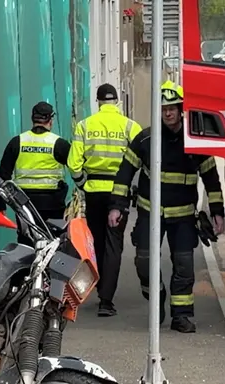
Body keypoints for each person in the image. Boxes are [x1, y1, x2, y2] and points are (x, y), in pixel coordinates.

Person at [107, 81, 225, 335]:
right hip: (150, 214)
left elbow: (211, 178)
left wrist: (217, 211)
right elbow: (124, 173)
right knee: (144, 263)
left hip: (183, 217)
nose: (167, 113)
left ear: (181, 109)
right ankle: (156, 297)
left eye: (171, 108)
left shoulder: (195, 141)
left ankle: (181, 316)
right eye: (163, 109)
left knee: (184, 266)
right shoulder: (146, 139)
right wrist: (117, 207)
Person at [68, 84, 143, 317]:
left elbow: (73, 164)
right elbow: (144, 157)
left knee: (97, 243)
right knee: (114, 245)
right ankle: (106, 300)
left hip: (94, 192)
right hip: (119, 194)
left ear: (98, 102)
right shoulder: (130, 126)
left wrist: (83, 183)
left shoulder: (85, 126)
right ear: (117, 102)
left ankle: (100, 286)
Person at [0, 101, 72, 246]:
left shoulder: (17, 142)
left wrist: (0, 207)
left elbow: (3, 177)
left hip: (24, 204)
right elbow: (76, 167)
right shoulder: (59, 144)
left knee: (26, 242)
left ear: (32, 119)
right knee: (53, 243)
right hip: (53, 204)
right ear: (50, 120)